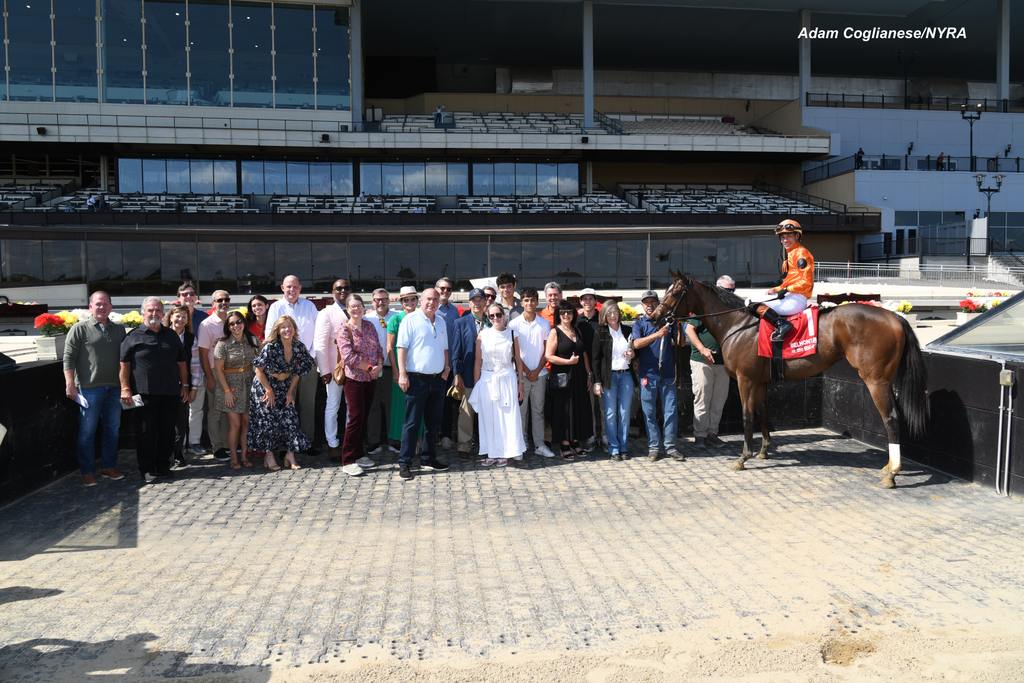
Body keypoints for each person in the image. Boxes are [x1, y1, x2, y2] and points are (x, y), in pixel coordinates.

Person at [119, 297, 189, 483]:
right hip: (142, 394)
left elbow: (181, 363)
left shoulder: (171, 335)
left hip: (170, 392)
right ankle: (147, 469)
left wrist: (186, 385)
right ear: (143, 312)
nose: (154, 313)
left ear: (163, 313)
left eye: (158, 310)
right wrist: (125, 388)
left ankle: (163, 466)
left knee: (167, 431)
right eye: (150, 310)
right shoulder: (132, 336)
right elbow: (124, 365)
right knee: (145, 433)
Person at [63, 290, 127, 486]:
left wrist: (125, 386)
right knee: (87, 431)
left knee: (112, 430)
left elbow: (125, 360)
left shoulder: (119, 330)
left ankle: (108, 466)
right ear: (90, 307)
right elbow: (68, 358)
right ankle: (87, 471)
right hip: (89, 389)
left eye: (105, 304)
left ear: (111, 307)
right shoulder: (79, 329)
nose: (101, 307)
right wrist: (70, 384)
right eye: (97, 304)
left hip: (114, 389)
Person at [396, 288, 451, 480]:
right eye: (429, 299)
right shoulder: (409, 320)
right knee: (411, 424)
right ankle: (405, 463)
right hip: (416, 379)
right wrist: (402, 374)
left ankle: (428, 459)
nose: (432, 302)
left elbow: (444, 347)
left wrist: (446, 368)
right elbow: (401, 348)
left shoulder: (441, 321)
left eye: (435, 299)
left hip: (437, 380)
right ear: (421, 300)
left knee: (433, 424)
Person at [248, 315, 314, 471]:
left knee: (290, 419)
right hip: (265, 386)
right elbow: (258, 370)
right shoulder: (271, 346)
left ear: (294, 329)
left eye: (289, 326)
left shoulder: (299, 347)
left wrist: (291, 392)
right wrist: (268, 390)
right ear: (278, 330)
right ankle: (268, 455)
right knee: (268, 421)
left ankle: (290, 455)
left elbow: (298, 372)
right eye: (283, 327)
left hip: (285, 387)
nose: (287, 330)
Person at [265, 275, 320, 453]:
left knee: (307, 404)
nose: (291, 290)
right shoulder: (276, 307)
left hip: (308, 362)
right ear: (282, 288)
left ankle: (306, 442)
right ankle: (285, 444)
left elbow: (318, 333)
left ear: (300, 288)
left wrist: (308, 357)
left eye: (295, 287)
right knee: (285, 404)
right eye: (288, 287)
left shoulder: (309, 306)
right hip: (284, 365)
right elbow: (270, 336)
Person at [469, 303, 526, 466]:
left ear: (504, 315)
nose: (495, 318)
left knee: (506, 417)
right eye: (491, 316)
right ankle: (491, 453)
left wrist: (520, 383)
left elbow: (518, 361)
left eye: (498, 315)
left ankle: (505, 452)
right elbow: (477, 362)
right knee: (488, 418)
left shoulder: (512, 334)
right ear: (488, 317)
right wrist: (476, 384)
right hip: (487, 381)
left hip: (507, 379)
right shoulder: (483, 335)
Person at [631, 289, 682, 462]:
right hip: (648, 375)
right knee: (649, 413)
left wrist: (678, 324)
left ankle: (670, 446)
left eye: (653, 302)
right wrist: (657, 334)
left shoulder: (667, 322)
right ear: (643, 305)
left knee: (670, 412)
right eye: (647, 302)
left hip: (667, 375)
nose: (650, 305)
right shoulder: (639, 324)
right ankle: (654, 447)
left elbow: (681, 342)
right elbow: (636, 344)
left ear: (659, 303)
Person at [336, 294, 384, 477]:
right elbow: (348, 357)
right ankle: (347, 459)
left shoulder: (370, 326)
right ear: (347, 309)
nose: (356, 309)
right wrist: (370, 366)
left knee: (364, 417)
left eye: (358, 306)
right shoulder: (344, 329)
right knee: (355, 418)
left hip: (371, 379)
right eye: (352, 306)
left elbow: (378, 349)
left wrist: (378, 365)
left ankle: (359, 453)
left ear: (363, 308)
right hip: (354, 380)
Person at [685, 275, 734, 448]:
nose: (730, 294)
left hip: (723, 362)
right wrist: (702, 349)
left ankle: (712, 434)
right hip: (701, 361)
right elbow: (689, 330)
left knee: (718, 400)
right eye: (727, 291)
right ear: (717, 290)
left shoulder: (731, 310)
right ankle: (699, 436)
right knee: (702, 398)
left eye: (732, 291)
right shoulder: (705, 308)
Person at [509, 287, 554, 458]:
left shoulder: (544, 323)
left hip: (540, 374)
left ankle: (539, 445)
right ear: (521, 303)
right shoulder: (513, 324)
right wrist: (526, 372)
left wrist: (536, 370)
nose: (529, 303)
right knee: (521, 411)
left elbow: (546, 350)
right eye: (526, 300)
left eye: (533, 300)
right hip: (521, 376)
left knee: (538, 411)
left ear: (537, 302)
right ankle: (521, 444)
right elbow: (514, 352)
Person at [544, 300, 594, 458]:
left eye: (569, 312)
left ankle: (574, 440)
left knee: (577, 408)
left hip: (579, 376)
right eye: (563, 313)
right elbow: (549, 356)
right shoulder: (555, 332)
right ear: (559, 315)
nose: (566, 315)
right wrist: (568, 362)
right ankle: (564, 443)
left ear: (573, 314)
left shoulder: (577, 330)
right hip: (562, 377)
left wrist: (589, 374)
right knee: (563, 410)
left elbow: (584, 353)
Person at [214, 311, 258, 469]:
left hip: (249, 384)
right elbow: (218, 370)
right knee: (236, 424)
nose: (235, 326)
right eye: (231, 324)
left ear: (244, 323)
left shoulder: (252, 340)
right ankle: (234, 457)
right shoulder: (223, 344)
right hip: (230, 387)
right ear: (227, 327)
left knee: (246, 423)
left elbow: (259, 361)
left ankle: (244, 456)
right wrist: (227, 391)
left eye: (238, 322)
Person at [313, 278, 352, 460]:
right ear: (332, 291)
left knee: (352, 407)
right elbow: (320, 344)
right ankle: (332, 444)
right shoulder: (326, 313)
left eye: (345, 288)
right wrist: (325, 370)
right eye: (339, 288)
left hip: (354, 368)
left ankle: (349, 442)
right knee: (333, 406)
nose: (342, 291)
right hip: (334, 369)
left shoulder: (355, 309)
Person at [592, 301, 634, 461]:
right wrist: (597, 381)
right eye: (609, 313)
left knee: (624, 413)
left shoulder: (628, 330)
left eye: (615, 312)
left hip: (626, 376)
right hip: (608, 377)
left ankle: (624, 447)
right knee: (610, 414)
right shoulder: (600, 332)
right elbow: (595, 359)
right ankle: (614, 448)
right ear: (604, 315)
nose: (612, 315)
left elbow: (634, 352)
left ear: (619, 313)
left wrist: (632, 354)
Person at [761, 219, 815, 340]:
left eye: (789, 236)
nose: (785, 240)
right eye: (783, 237)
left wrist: (786, 289)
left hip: (797, 299)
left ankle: (783, 325)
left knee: (754, 304)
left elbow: (806, 283)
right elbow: (791, 280)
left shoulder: (801, 253)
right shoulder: (790, 254)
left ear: (797, 236)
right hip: (790, 296)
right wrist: (776, 289)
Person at [450, 288, 488, 457]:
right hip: (468, 375)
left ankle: (488, 444)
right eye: (474, 300)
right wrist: (457, 374)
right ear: (469, 302)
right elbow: (455, 351)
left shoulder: (493, 320)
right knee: (466, 411)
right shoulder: (461, 323)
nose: (477, 303)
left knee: (489, 412)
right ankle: (464, 445)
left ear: (485, 302)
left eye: (480, 299)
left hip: (489, 374)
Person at [198, 289, 233, 461]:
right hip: (214, 371)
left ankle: (227, 444)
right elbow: (203, 354)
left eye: (226, 299)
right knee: (215, 411)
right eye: (220, 300)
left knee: (229, 409)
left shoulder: (232, 321)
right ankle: (217, 446)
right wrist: (209, 377)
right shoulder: (206, 325)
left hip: (232, 372)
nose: (223, 303)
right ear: (213, 303)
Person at [386, 286, 420, 449]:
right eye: (406, 300)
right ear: (401, 302)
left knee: (418, 406)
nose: (409, 302)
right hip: (401, 370)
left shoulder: (422, 317)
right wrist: (396, 371)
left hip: (419, 369)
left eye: (412, 299)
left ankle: (418, 440)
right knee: (401, 406)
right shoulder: (396, 319)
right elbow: (389, 347)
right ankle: (400, 441)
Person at [176, 282, 208, 457]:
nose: (188, 297)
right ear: (178, 298)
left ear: (196, 298)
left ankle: (194, 442)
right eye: (184, 294)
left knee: (196, 409)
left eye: (191, 294)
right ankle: (178, 443)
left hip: (197, 370)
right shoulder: (171, 317)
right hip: (175, 375)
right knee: (177, 412)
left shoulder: (203, 317)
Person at [164, 304, 196, 471]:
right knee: (165, 422)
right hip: (163, 385)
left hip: (183, 385)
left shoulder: (190, 338)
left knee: (181, 422)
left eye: (184, 317)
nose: (180, 319)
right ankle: (165, 454)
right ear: (170, 317)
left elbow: (195, 364)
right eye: (177, 316)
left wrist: (191, 386)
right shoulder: (162, 335)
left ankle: (178, 453)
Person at [365, 288, 397, 455]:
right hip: (372, 370)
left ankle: (394, 440)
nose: (381, 302)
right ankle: (373, 441)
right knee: (373, 406)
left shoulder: (396, 316)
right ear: (372, 301)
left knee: (392, 406)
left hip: (392, 368)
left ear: (389, 301)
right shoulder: (366, 318)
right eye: (377, 299)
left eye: (384, 299)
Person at [434, 276, 460, 450]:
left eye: (448, 289)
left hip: (448, 364)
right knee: (431, 402)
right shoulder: (428, 308)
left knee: (447, 402)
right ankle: (430, 435)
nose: (445, 291)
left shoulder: (453, 312)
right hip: (430, 365)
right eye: (442, 288)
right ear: (436, 288)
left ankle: (445, 435)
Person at [576, 287, 602, 449]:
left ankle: (605, 437)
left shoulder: (602, 319)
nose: (587, 302)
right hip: (583, 369)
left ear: (595, 301)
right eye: (584, 299)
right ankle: (591, 436)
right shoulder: (576, 321)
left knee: (605, 405)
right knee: (588, 406)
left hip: (602, 367)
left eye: (590, 298)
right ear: (580, 302)